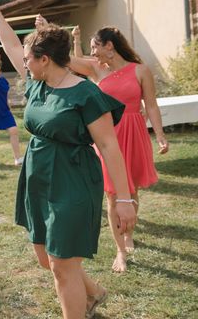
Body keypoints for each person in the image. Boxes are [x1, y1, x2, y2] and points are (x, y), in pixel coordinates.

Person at [0, 0, 137, 319]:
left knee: (62, 266)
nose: (23, 64)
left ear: (45, 59)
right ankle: (93, 293)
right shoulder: (38, 85)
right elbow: (12, 46)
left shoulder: (86, 93)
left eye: (28, 60)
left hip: (73, 179)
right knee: (46, 258)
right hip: (38, 177)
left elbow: (109, 146)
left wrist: (123, 198)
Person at [63, 21, 168, 272]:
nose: (93, 52)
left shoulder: (140, 70)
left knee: (131, 192)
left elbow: (151, 105)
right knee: (112, 194)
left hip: (135, 134)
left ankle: (128, 231)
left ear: (109, 46)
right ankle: (120, 250)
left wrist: (161, 135)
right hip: (108, 136)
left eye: (95, 46)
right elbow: (65, 60)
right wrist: (48, 30)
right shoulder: (97, 69)